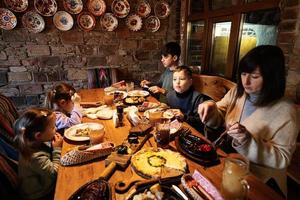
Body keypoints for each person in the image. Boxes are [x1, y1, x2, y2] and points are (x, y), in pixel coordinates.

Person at [198, 45, 299, 197]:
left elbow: (282, 158)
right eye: (244, 73)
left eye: (255, 76)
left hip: (258, 180)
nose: (246, 81)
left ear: (272, 77)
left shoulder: (286, 111)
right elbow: (220, 112)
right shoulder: (238, 93)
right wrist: (211, 107)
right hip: (228, 164)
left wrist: (247, 141)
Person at [14, 108, 63, 199]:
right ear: (38, 135)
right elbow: (54, 173)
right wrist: (57, 149)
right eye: (53, 127)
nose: (56, 128)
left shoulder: (33, 141)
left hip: (45, 181)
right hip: (41, 194)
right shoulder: (34, 157)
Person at [166, 66, 211, 132]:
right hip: (174, 128)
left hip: (191, 130)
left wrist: (184, 117)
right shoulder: (169, 95)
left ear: (190, 82)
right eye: (174, 79)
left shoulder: (198, 98)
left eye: (182, 79)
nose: (177, 82)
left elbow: (201, 121)